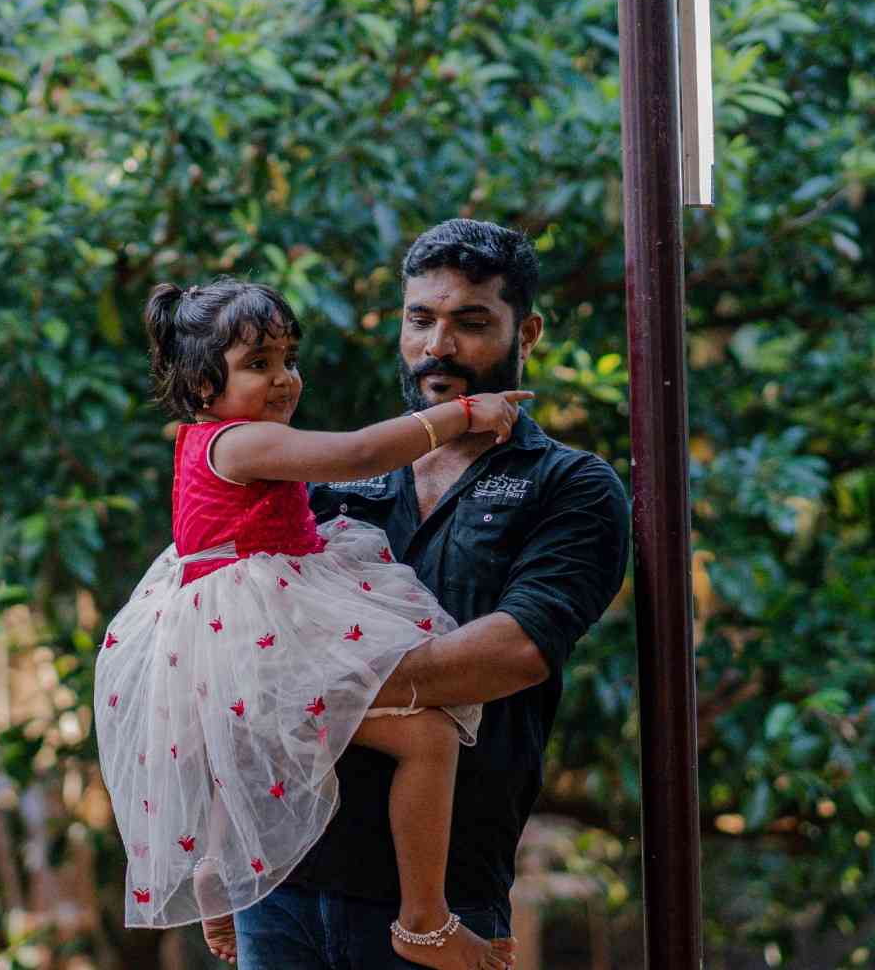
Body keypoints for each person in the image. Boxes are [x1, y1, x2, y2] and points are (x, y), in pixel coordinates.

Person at [231, 218, 631, 969]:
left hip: (441, 904)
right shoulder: (328, 473)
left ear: (529, 331)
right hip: (279, 882)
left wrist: (324, 686)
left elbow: (513, 651)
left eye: (471, 323)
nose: (437, 347)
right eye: (421, 320)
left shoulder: (570, 486)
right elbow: (236, 628)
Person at [93, 280, 528, 970]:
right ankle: (423, 920)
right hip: (259, 625)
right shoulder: (240, 443)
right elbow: (357, 454)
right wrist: (460, 415)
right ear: (203, 386)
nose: (283, 379)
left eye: (288, 359)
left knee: (264, 751)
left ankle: (217, 863)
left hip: (249, 616)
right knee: (431, 738)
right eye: (258, 364)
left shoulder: (210, 441)